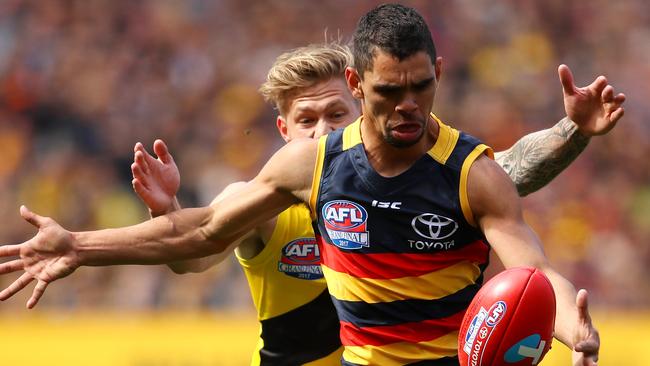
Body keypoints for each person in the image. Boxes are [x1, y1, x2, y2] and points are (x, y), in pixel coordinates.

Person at [0, 4, 625, 365]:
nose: (408, 105)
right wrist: (80, 244)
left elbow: (532, 274)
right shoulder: (312, 169)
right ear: (359, 86)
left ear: (437, 74)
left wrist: (577, 328)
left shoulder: (470, 172)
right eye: (389, 91)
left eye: (420, 87)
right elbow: (204, 233)